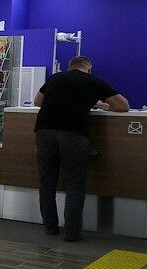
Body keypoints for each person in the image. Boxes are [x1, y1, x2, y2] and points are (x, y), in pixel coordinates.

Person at [33, 55, 129, 242]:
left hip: (44, 131)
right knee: (75, 183)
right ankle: (71, 232)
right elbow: (123, 106)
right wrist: (98, 103)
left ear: (70, 67)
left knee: (47, 181)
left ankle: (50, 227)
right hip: (73, 133)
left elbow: (37, 101)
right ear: (89, 67)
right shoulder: (93, 81)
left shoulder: (55, 78)